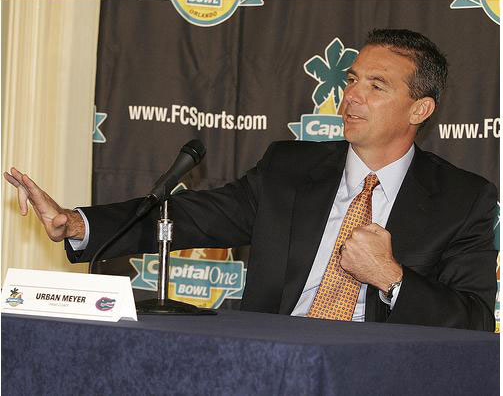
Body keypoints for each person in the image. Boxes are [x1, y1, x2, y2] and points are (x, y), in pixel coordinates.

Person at [4, 29, 497, 331]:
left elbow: (474, 318)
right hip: (269, 357)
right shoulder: (289, 168)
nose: (350, 97)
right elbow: (190, 216)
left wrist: (391, 278)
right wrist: (75, 223)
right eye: (350, 81)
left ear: (420, 108)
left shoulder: (461, 198)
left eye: (376, 85)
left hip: (382, 373)